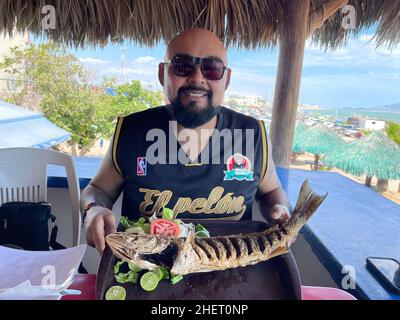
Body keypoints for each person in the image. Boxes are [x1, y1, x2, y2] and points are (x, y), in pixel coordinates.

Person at [81, 28, 291, 254]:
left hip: (231, 272)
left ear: (226, 79)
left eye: (212, 68)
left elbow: (272, 190)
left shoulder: (252, 133)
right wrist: (93, 208)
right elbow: (98, 189)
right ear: (163, 73)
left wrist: (279, 209)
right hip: (144, 270)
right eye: (183, 66)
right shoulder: (132, 130)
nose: (197, 77)